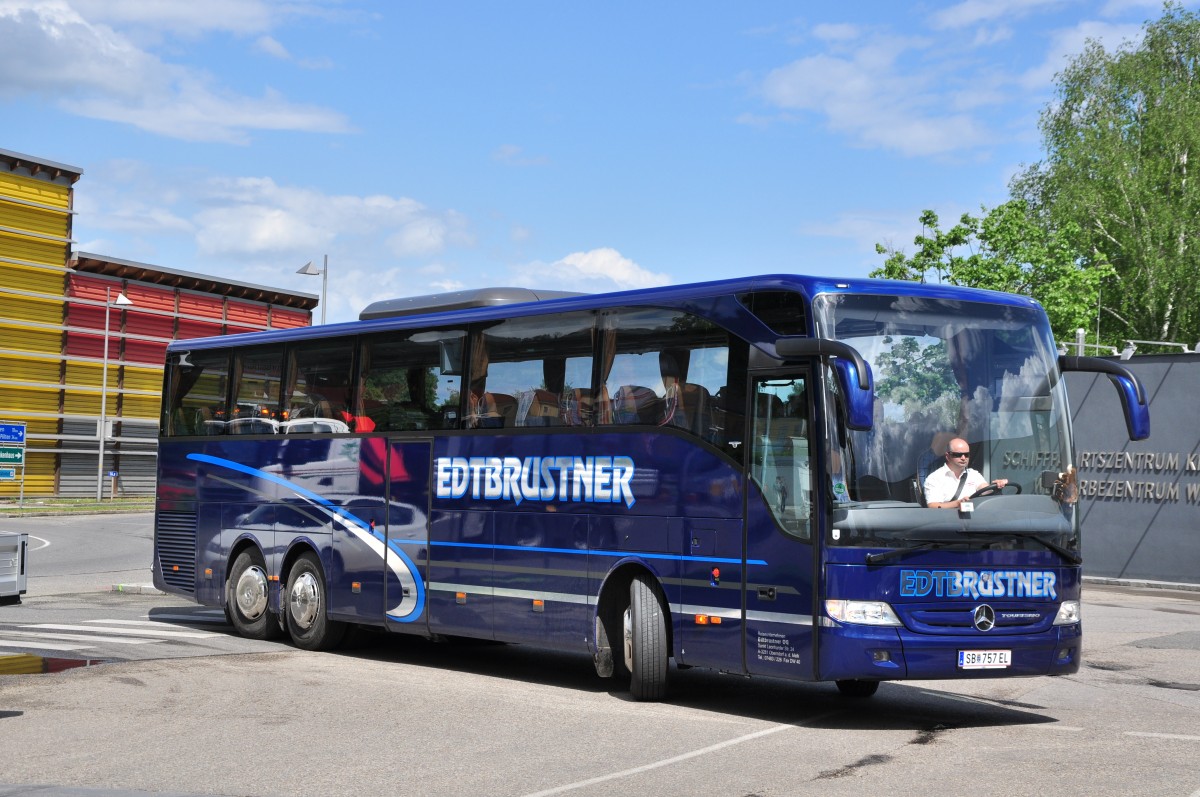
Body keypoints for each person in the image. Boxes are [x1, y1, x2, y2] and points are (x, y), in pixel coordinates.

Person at [923, 437, 1007, 509]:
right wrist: (958, 503)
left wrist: (997, 485)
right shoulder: (935, 478)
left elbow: (984, 489)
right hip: (947, 522)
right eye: (958, 455)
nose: (963, 458)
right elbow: (933, 506)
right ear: (947, 456)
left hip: (973, 520)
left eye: (966, 454)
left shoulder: (973, 474)